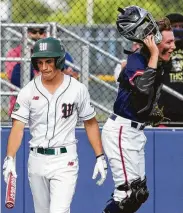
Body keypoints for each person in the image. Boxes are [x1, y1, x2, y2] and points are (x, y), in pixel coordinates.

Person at [3, 37, 107, 213]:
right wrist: (10, 158)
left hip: (64, 160)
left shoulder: (77, 89)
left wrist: (100, 156)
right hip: (36, 159)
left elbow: (90, 123)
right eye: (40, 62)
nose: (44, 67)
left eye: (49, 61)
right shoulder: (28, 91)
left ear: (59, 60)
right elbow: (18, 127)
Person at [101, 6, 175, 213]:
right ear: (153, 43)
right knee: (127, 194)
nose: (173, 45)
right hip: (121, 131)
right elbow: (142, 88)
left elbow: (144, 98)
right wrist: (152, 52)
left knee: (139, 194)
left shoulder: (158, 63)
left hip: (135, 131)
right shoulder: (135, 61)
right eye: (168, 41)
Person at [158, 13, 183, 126]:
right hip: (165, 107)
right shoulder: (159, 48)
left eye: (181, 27)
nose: (178, 30)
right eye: (175, 27)